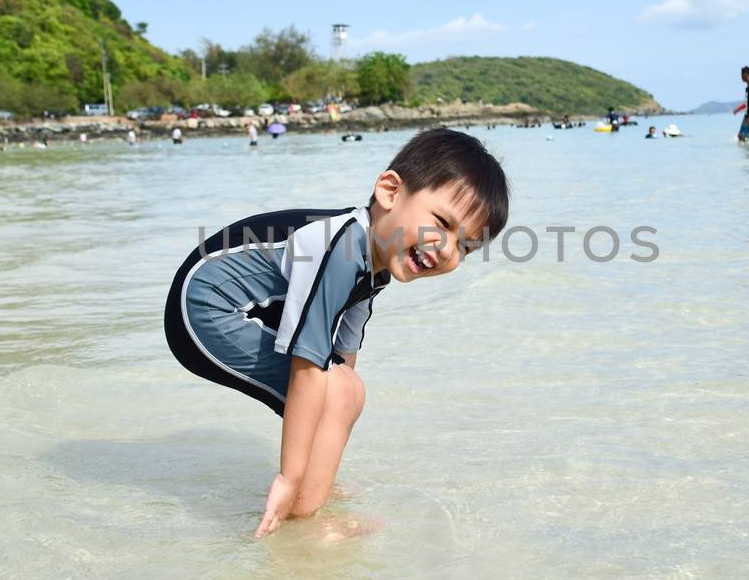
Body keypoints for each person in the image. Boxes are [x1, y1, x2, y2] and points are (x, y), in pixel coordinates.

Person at [164, 128, 510, 539]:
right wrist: (291, 474)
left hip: (243, 309)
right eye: (441, 223)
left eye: (465, 248)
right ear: (389, 191)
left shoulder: (377, 257)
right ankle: (304, 521)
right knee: (331, 392)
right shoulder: (341, 248)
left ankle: (314, 496)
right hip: (207, 309)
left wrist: (327, 438)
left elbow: (342, 354)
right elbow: (310, 365)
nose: (447, 249)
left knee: (346, 389)